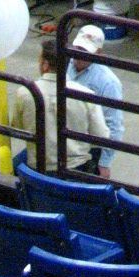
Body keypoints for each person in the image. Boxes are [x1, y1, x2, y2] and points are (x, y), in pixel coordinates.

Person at [10, 37, 110, 173]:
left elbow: (18, 127)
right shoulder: (86, 95)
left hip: (37, 170)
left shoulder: (25, 92)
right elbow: (101, 136)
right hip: (77, 170)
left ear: (45, 64)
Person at [70, 25, 124, 177]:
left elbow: (114, 125)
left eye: (85, 51)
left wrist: (104, 163)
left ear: (98, 53)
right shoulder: (64, 66)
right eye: (77, 48)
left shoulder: (108, 83)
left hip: (88, 145)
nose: (78, 55)